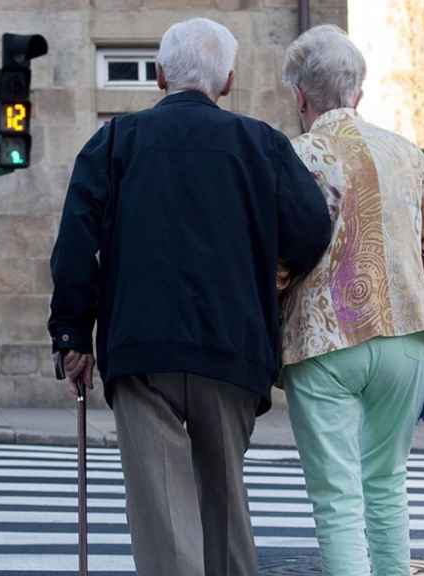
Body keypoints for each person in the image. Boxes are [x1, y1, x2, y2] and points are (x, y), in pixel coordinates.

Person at [47, 17, 332, 576]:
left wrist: (72, 335)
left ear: (158, 77)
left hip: (142, 350)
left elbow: (76, 244)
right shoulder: (262, 145)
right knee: (225, 503)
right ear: (227, 81)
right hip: (232, 349)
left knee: (164, 517)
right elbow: (311, 231)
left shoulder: (113, 143)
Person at [278, 25, 424, 576]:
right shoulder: (406, 152)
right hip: (407, 336)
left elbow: (280, 257)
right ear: (358, 90)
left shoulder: (296, 155)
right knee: (387, 487)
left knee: (337, 501)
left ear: (300, 96)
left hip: (324, 340)